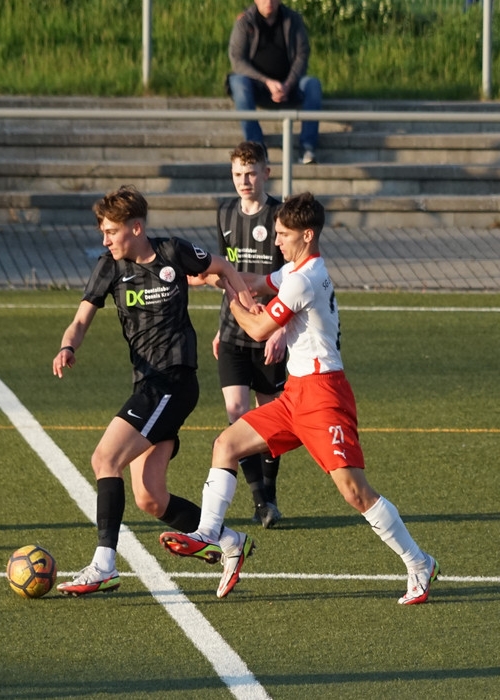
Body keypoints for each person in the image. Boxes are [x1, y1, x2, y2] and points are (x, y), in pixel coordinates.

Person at [160, 193, 439, 605]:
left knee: (355, 491)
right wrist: (213, 273)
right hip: (296, 393)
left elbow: (258, 330)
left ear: (307, 235)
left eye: (283, 235)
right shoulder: (295, 270)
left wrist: (231, 297)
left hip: (324, 396)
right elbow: (257, 282)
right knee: (226, 444)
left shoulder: (302, 280)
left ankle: (419, 562)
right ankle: (211, 535)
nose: (276, 241)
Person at [52, 185, 255, 597]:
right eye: (103, 232)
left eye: (111, 231)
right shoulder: (109, 267)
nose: (105, 240)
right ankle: (231, 541)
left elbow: (223, 266)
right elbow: (81, 319)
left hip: (173, 381)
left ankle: (104, 565)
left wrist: (246, 304)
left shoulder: (172, 252)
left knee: (104, 458)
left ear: (136, 228)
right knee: (150, 497)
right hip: (148, 385)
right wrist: (68, 346)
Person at [200, 141, 288, 528]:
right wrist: (221, 327)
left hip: (270, 331)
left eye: (251, 173)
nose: (244, 181)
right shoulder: (224, 213)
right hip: (233, 331)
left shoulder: (280, 215)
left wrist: (280, 330)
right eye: (238, 174)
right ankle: (260, 500)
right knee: (237, 414)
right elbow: (225, 274)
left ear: (266, 173)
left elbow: (291, 279)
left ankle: (270, 494)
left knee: (271, 420)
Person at [227, 0, 322, 164]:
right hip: (256, 84)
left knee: (313, 85)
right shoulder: (245, 22)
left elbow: (302, 55)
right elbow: (237, 60)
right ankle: (257, 149)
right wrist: (267, 82)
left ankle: (307, 148)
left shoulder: (293, 20)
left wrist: (288, 84)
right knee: (238, 83)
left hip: (290, 84)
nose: (269, 1)